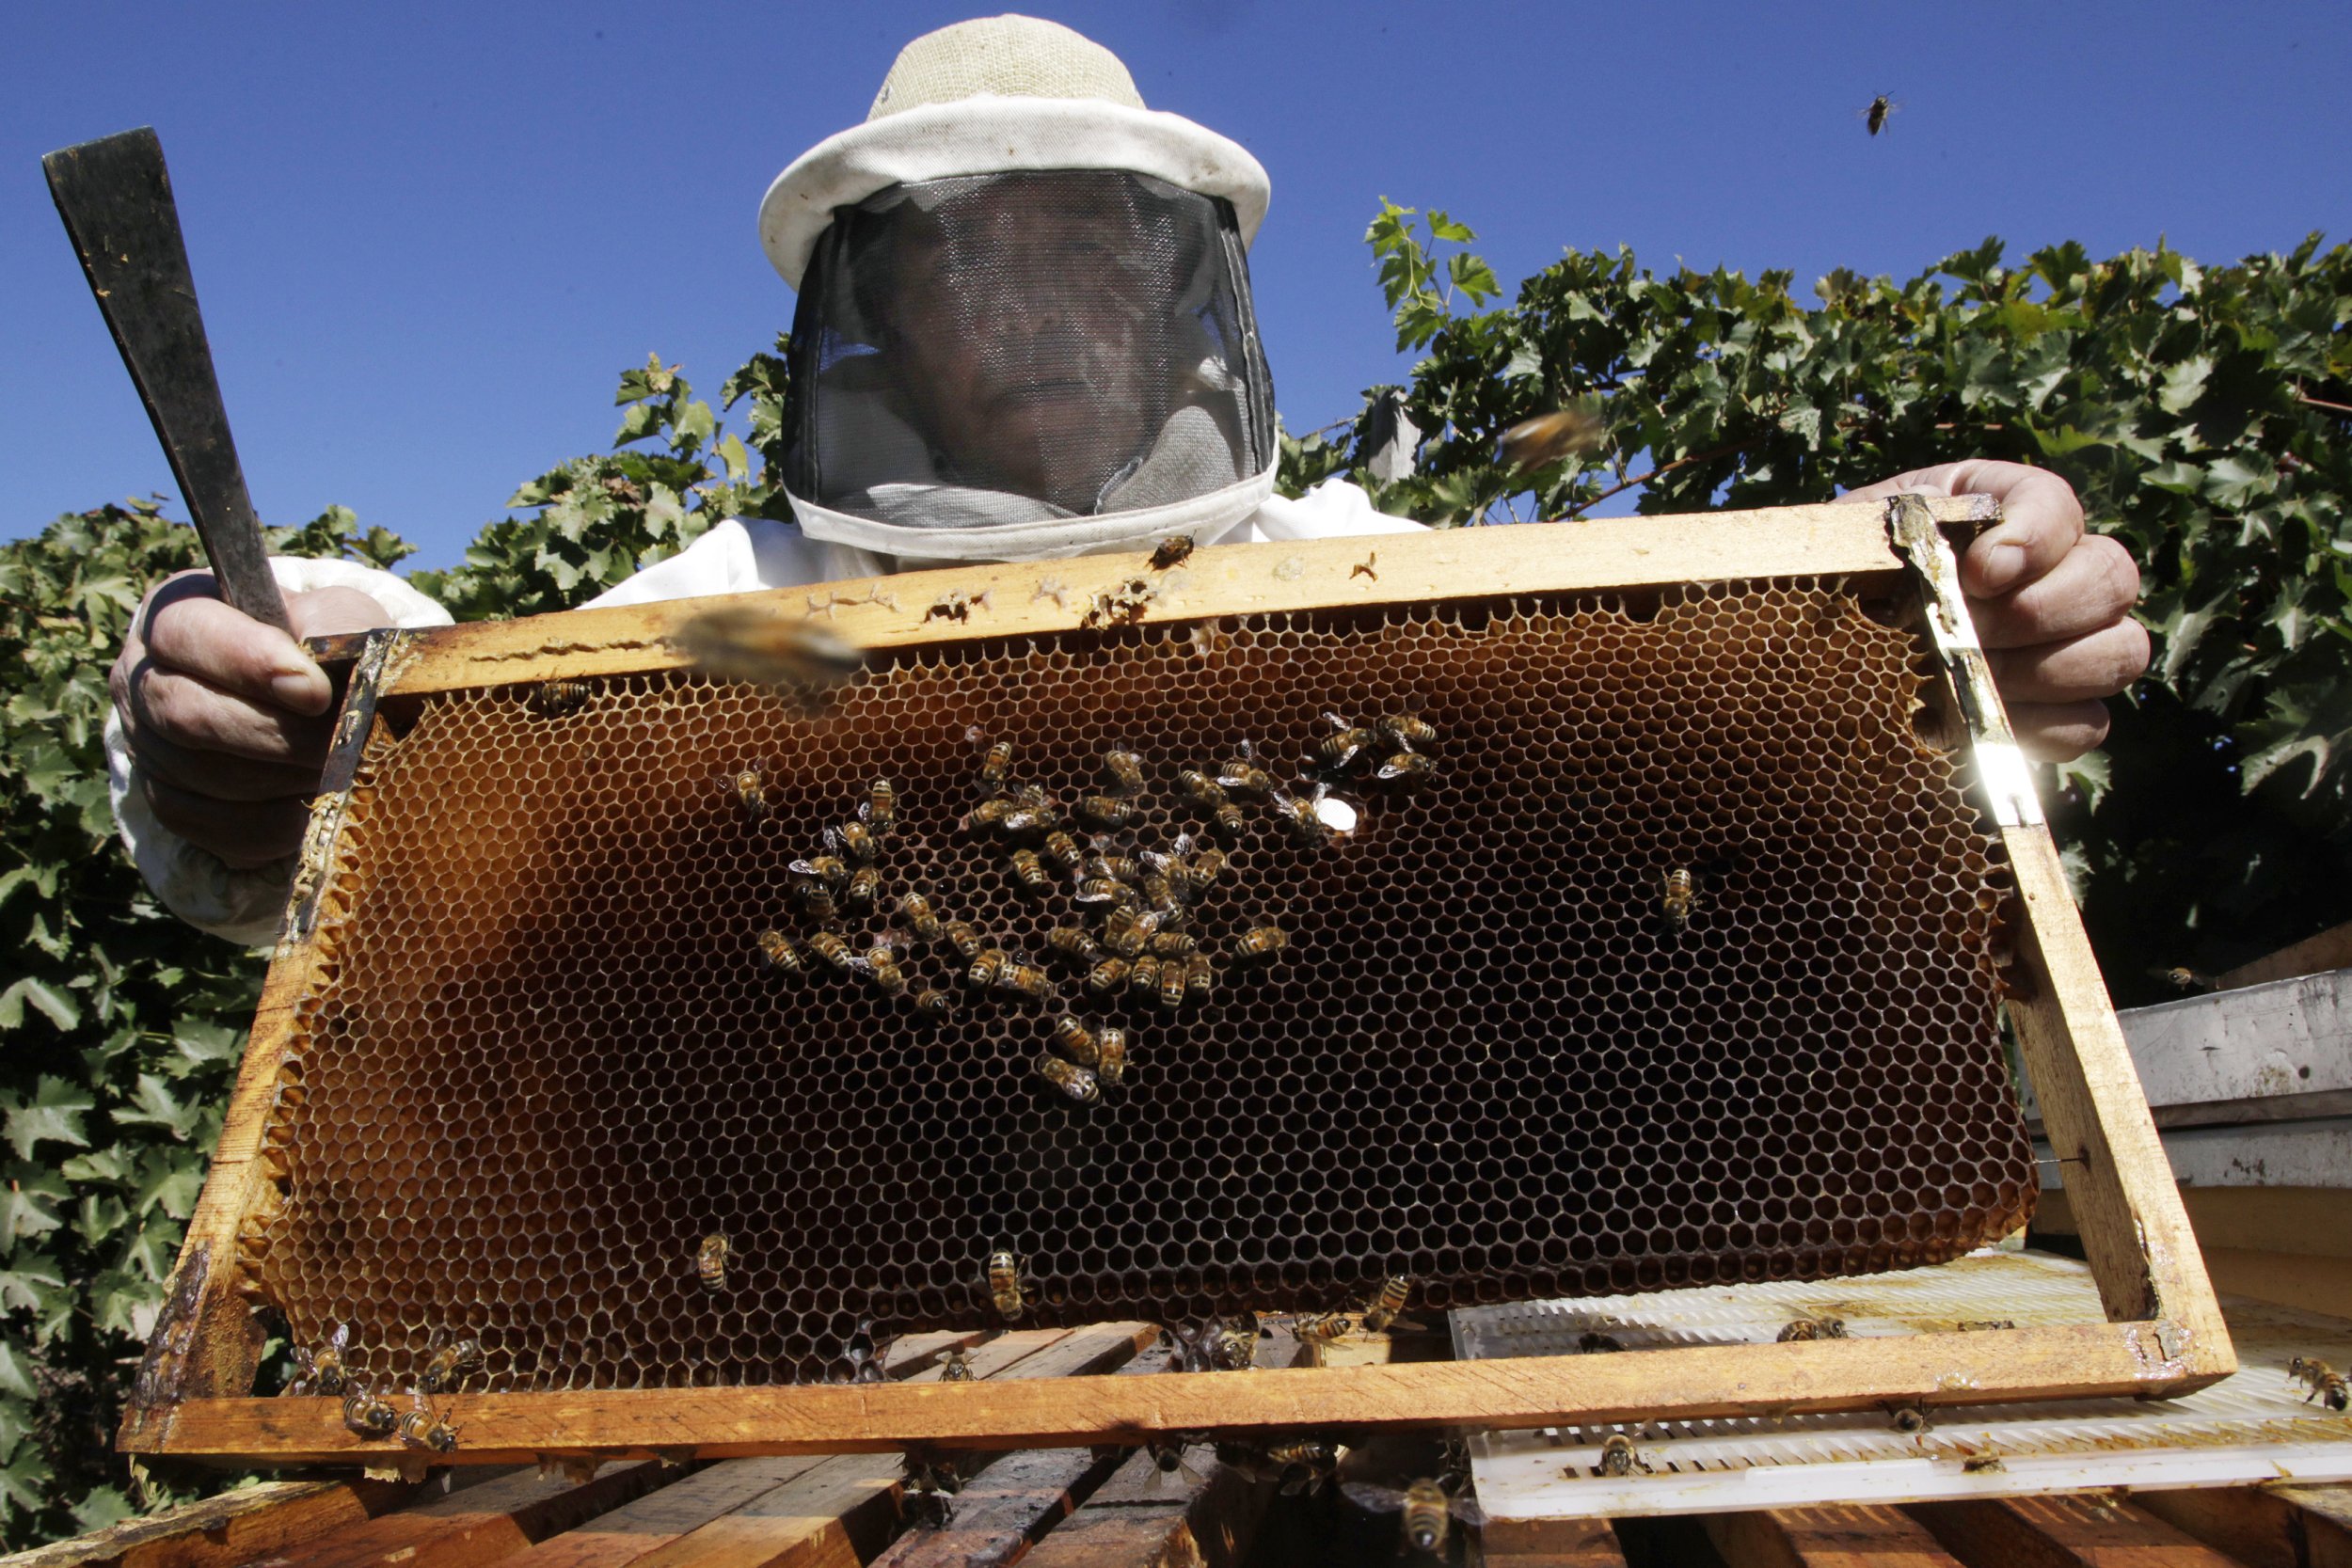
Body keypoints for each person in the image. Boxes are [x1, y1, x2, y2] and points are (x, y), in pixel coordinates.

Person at [104, 16, 2149, 947]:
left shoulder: (1352, 571)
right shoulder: (739, 602)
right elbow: (432, 763)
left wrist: (1924, 643)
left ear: (1183, 298)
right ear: (869, 320)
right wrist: (297, 677)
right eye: (956, 255)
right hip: (850, 1369)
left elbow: (1705, 741)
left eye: (1084, 240)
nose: (1030, 300)